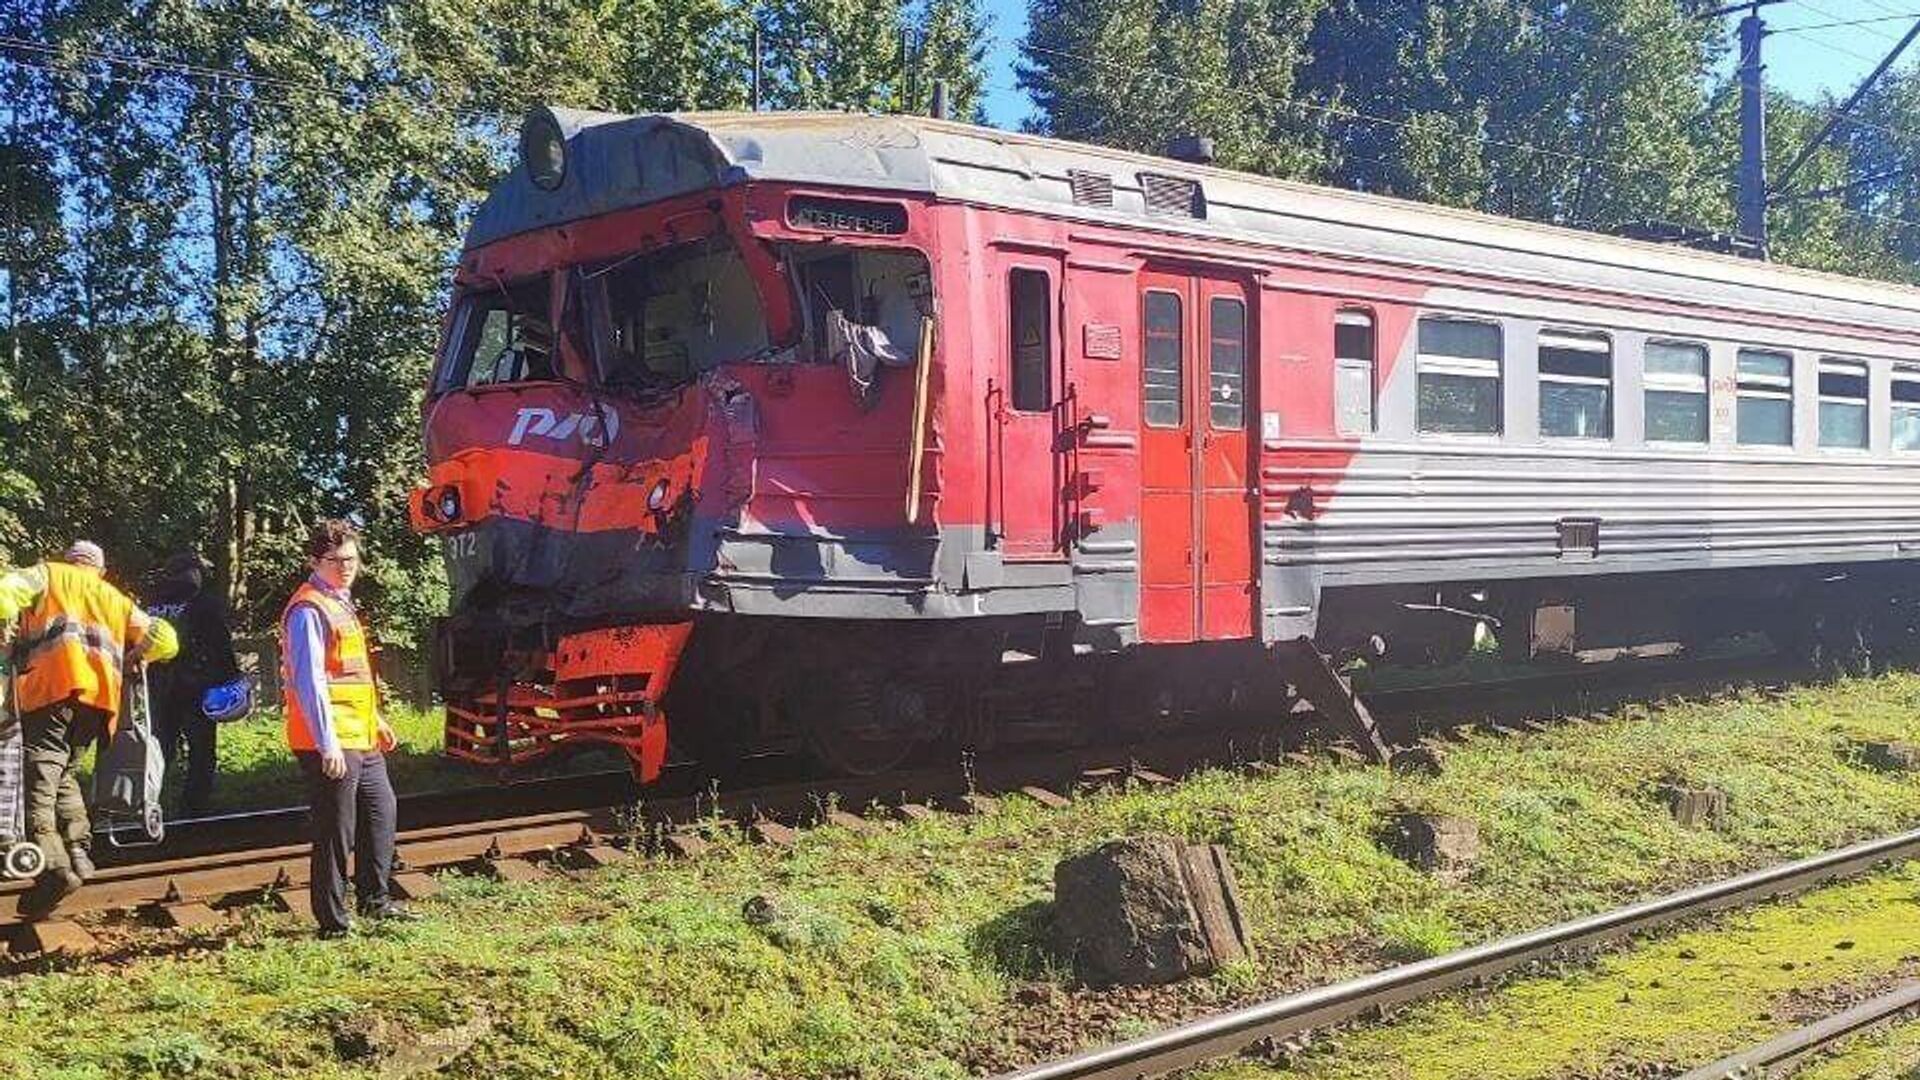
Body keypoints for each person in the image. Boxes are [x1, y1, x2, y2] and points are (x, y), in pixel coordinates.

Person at [0, 541, 178, 917]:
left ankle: (53, 868)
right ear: (98, 570)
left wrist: (6, 623)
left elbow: (4, 592)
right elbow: (166, 639)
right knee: (64, 773)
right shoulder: (115, 597)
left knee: (40, 775)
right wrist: (135, 655)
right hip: (99, 701)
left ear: (70, 562)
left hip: (52, 688)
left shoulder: (48, 574)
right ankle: (79, 852)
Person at [281, 519, 413, 937]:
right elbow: (310, 680)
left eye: (352, 559)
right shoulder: (308, 608)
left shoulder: (342, 602)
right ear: (314, 561)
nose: (346, 566)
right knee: (336, 829)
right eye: (336, 560)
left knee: (381, 810)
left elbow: (351, 675)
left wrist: (375, 719)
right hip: (331, 740)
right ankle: (333, 922)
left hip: (360, 734)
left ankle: (376, 901)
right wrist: (327, 744)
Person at [145, 552, 242, 815]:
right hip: (196, 688)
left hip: (158, 687)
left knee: (160, 749)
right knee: (201, 751)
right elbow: (220, 643)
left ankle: (151, 802)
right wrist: (233, 676)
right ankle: (194, 808)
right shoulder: (204, 603)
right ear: (192, 573)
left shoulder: (151, 604)